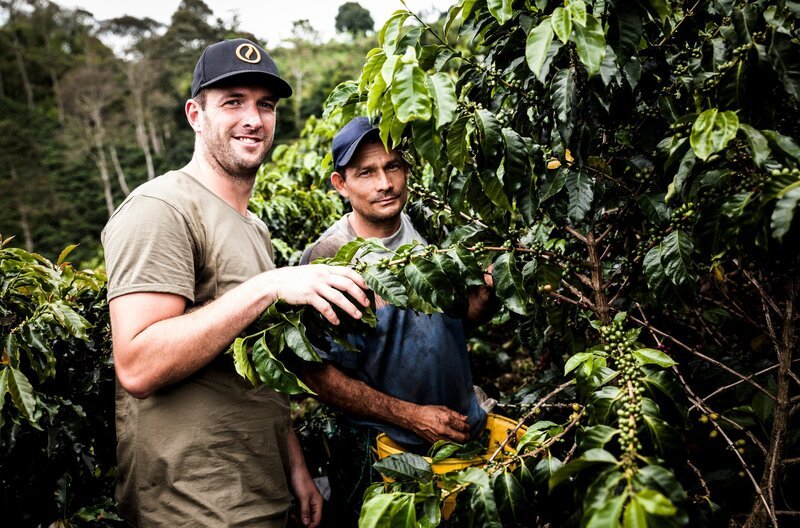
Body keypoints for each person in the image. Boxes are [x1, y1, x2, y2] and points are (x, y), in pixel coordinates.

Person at [101, 38, 371, 528]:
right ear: (195, 115)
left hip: (259, 490)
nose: (253, 119)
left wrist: (295, 467)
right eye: (232, 102)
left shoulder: (254, 228)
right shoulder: (161, 208)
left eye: (265, 105)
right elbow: (137, 366)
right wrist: (267, 286)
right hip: (193, 502)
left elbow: (254, 368)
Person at [299, 116, 495, 525]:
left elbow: (453, 324)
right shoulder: (329, 259)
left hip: (459, 437)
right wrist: (411, 416)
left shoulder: (427, 229)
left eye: (393, 167)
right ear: (340, 184)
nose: (385, 183)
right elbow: (317, 374)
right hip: (382, 453)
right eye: (366, 173)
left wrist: (485, 295)